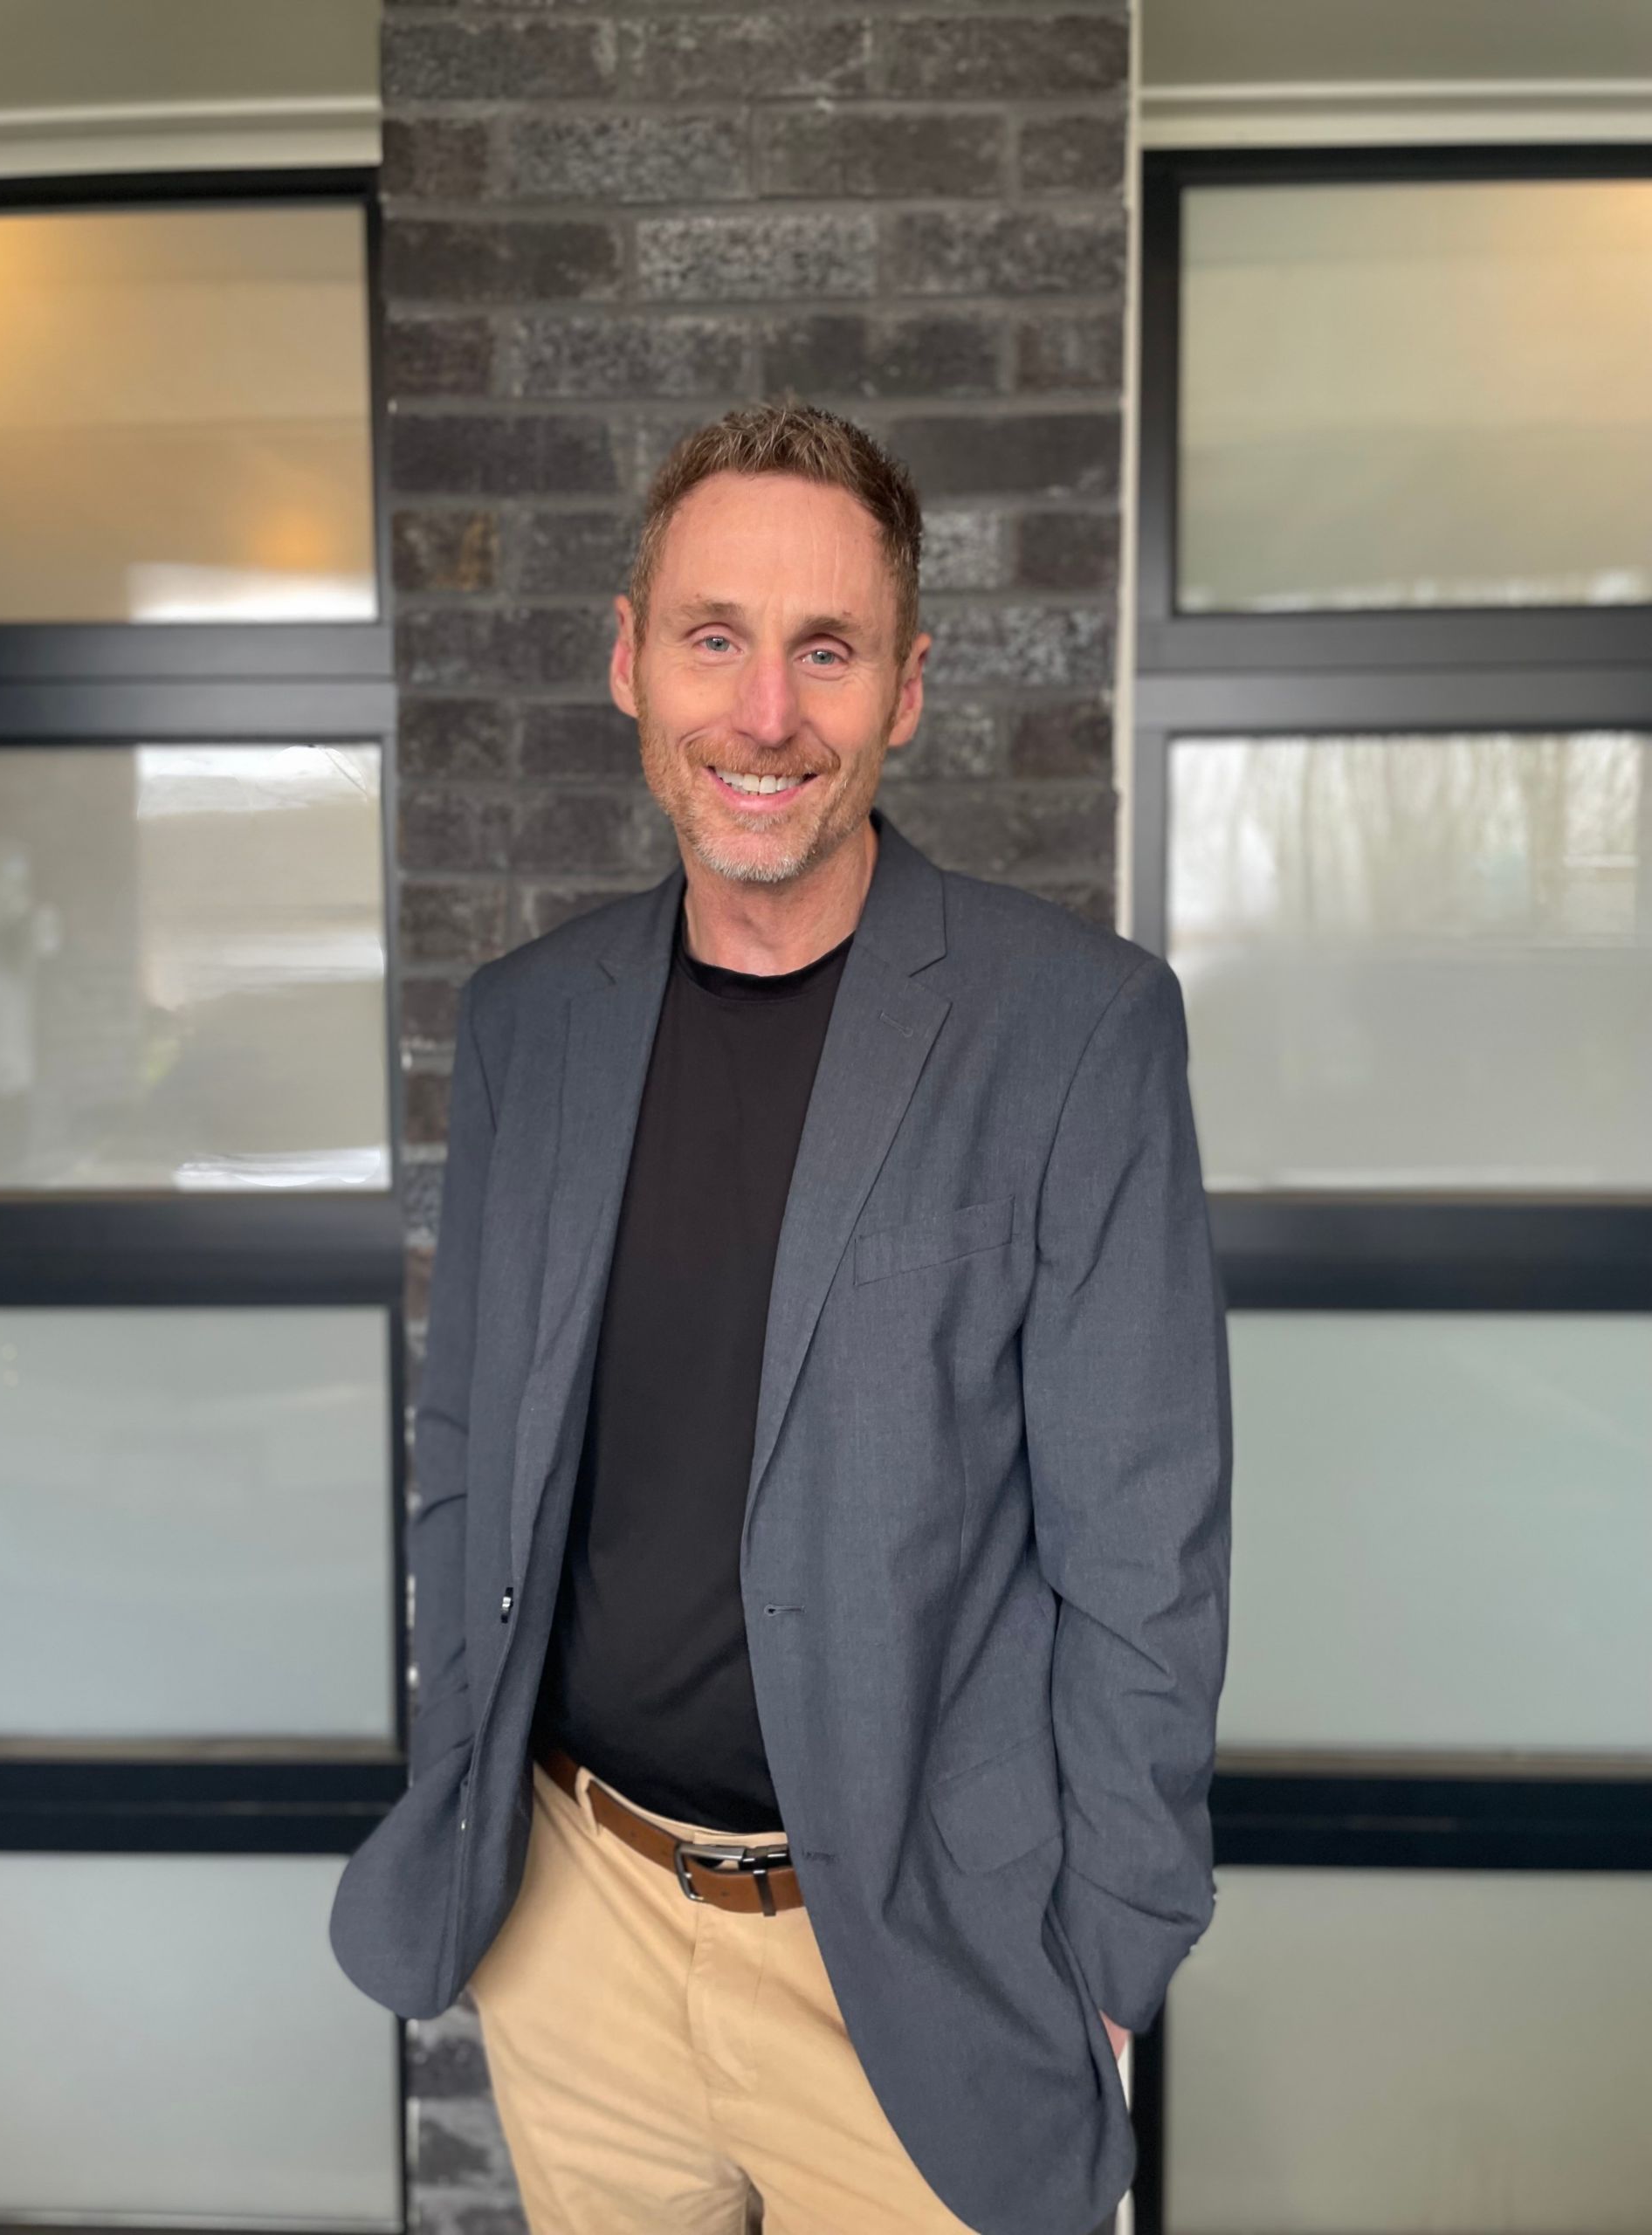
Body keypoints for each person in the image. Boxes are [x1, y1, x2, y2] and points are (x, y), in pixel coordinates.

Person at [330, 399, 1233, 2235]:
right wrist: (468, 1786)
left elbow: (1148, 1542)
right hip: (576, 1924)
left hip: (919, 1959)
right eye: (714, 638)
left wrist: (1112, 1959)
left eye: (826, 650)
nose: (763, 715)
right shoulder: (532, 1021)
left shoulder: (1076, 1031)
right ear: (629, 659)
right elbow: (466, 1453)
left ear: (906, 685)